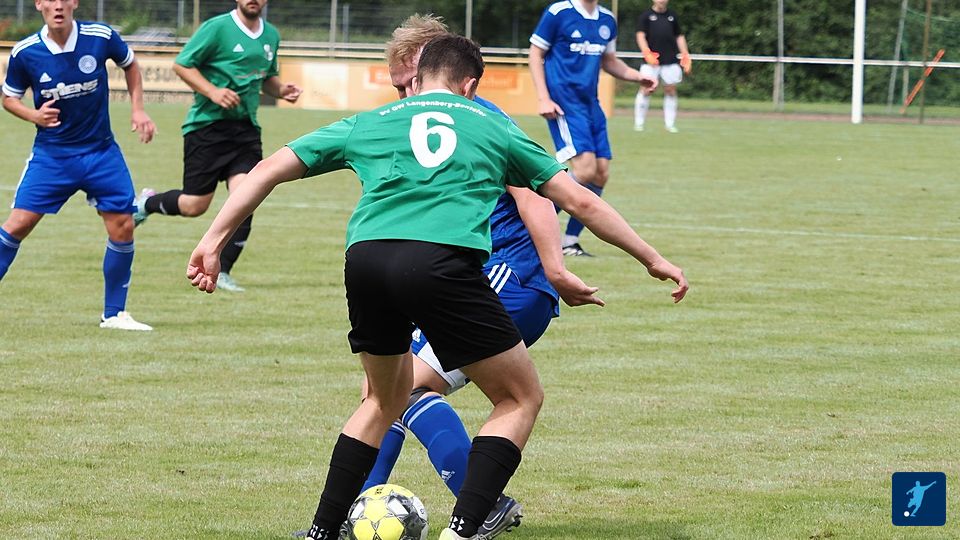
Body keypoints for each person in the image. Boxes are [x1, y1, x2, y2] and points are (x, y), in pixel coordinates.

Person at [186, 35, 688, 540]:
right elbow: (581, 202)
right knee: (519, 398)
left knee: (381, 401)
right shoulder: (490, 123)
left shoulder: (373, 120)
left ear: (418, 77)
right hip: (440, 263)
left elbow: (268, 169)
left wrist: (212, 240)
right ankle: (464, 529)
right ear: (470, 85)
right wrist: (652, 258)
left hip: (365, 261)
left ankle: (323, 532)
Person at [354, 14, 605, 539]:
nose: (402, 95)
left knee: (404, 388)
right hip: (457, 274)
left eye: (406, 83)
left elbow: (534, 194)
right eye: (397, 88)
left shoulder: (479, 117)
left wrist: (555, 267)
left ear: (433, 65)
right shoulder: (424, 121)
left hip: (508, 275)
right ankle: (359, 512)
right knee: (381, 390)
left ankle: (478, 504)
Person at [1, 0, 156, 331]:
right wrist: (34, 115)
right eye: (50, 0)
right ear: (39, 4)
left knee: (123, 225)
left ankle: (114, 314)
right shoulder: (25, 52)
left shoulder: (100, 36)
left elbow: (130, 64)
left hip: (101, 151)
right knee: (17, 226)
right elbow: (9, 98)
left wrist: (138, 109)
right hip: (53, 156)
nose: (58, 6)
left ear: (74, 3)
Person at [133, 0, 301, 292]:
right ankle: (146, 203)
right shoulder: (216, 28)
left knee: (247, 195)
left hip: (246, 130)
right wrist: (213, 92)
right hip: (207, 128)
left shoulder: (271, 34)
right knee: (194, 205)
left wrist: (281, 90)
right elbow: (182, 64)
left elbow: (267, 79)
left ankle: (222, 270)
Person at [529, 0, 658, 257]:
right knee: (585, 170)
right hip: (564, 103)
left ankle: (569, 242)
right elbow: (535, 54)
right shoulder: (559, 13)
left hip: (591, 105)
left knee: (600, 174)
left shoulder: (607, 19)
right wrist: (544, 98)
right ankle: (527, 228)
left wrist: (637, 76)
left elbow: (609, 61)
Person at [634, 0, 691, 133]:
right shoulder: (646, 16)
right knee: (646, 89)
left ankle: (670, 124)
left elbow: (679, 36)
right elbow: (640, 36)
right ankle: (639, 123)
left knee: (670, 90)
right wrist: (646, 52)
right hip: (651, 61)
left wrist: (685, 54)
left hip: (670, 60)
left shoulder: (672, 16)